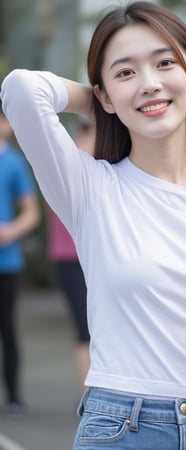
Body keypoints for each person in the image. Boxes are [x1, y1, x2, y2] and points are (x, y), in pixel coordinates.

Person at [0, 2, 186, 448]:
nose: (150, 83)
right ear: (103, 95)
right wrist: (101, 101)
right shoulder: (90, 189)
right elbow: (21, 89)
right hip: (121, 427)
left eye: (164, 63)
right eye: (125, 72)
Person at [47, 119, 95, 392]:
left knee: (86, 330)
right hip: (72, 255)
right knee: (86, 330)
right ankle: (90, 398)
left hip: (72, 255)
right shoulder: (82, 160)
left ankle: (91, 396)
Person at [0, 103, 40, 416]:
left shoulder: (14, 163)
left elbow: (31, 213)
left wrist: (10, 231)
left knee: (7, 330)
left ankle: (13, 396)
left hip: (6, 264)